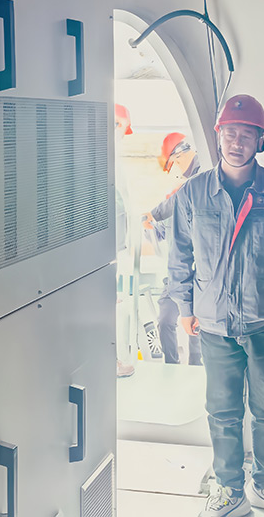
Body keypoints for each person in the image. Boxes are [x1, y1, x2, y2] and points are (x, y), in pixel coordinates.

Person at [169, 95, 264, 517]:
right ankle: (229, 489)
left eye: (246, 135)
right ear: (218, 136)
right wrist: (185, 307)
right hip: (214, 325)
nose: (237, 142)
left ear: (260, 141)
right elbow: (179, 254)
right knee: (222, 411)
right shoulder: (193, 193)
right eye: (230, 133)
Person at [143, 132, 203, 365]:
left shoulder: (201, 178)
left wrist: (154, 213)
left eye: (175, 163)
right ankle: (171, 365)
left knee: (196, 324)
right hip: (176, 277)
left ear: (180, 155)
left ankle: (196, 366)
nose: (176, 170)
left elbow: (176, 200)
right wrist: (149, 224)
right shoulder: (179, 205)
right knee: (166, 320)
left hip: (200, 275)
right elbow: (161, 235)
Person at [115, 103, 136, 379]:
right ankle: (111, 361)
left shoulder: (113, 160)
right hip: (103, 253)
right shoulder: (102, 158)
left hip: (111, 251)